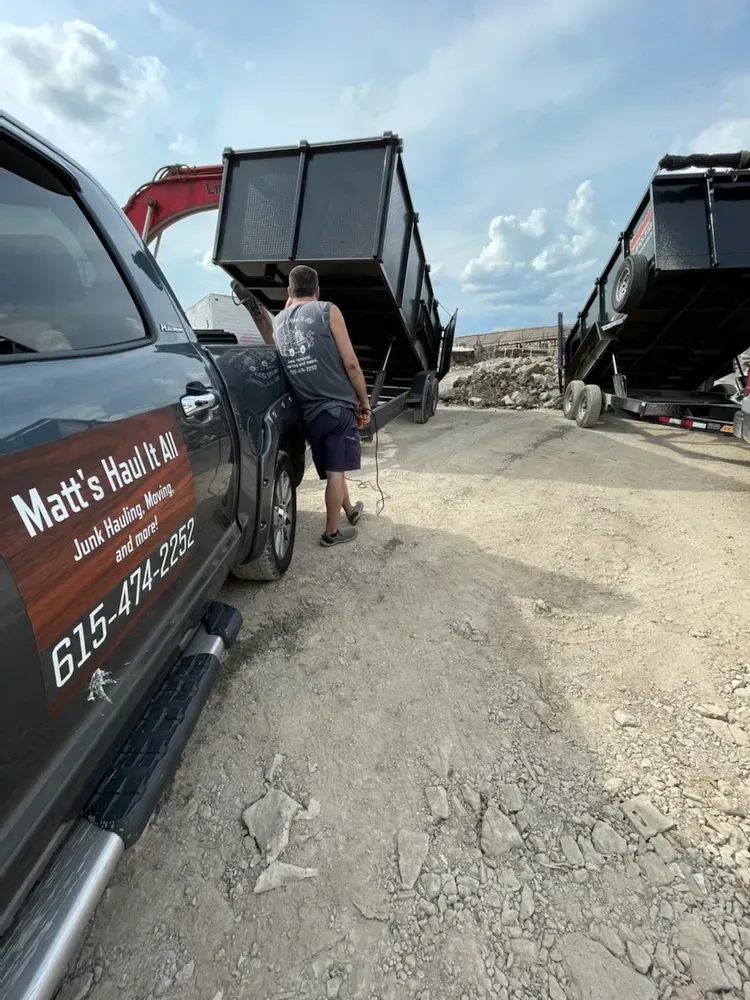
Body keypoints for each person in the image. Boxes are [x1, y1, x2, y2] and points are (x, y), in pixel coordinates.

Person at [231, 267, 370, 547]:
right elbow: (352, 363)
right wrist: (364, 401)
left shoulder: (279, 322)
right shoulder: (328, 310)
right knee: (336, 471)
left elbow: (287, 314)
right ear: (317, 291)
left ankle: (350, 510)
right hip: (337, 408)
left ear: (289, 292)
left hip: (309, 414)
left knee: (333, 466)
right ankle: (331, 533)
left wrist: (290, 303)